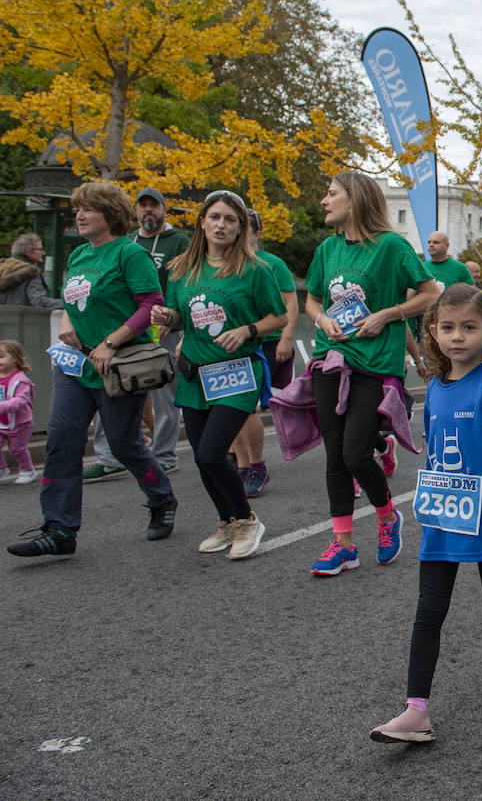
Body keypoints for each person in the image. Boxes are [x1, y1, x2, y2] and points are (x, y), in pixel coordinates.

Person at [369, 284, 482, 744]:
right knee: (429, 610)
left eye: (469, 327)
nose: (457, 336)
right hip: (443, 513)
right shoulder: (436, 389)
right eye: (447, 327)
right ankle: (415, 709)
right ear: (433, 333)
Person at [7, 181, 177, 558]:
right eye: (77, 210)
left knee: (123, 443)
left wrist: (111, 342)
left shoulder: (129, 255)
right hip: (75, 366)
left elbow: (150, 304)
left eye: (88, 209)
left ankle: (161, 499)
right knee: (62, 441)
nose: (79, 216)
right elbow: (72, 295)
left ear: (110, 215)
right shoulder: (80, 255)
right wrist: (67, 319)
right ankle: (59, 530)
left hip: (119, 366)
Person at [303, 172, 438, 576]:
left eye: (331, 194)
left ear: (356, 199)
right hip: (330, 359)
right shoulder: (327, 249)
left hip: (375, 365)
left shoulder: (392, 247)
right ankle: (343, 544)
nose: (324, 201)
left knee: (355, 452)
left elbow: (431, 294)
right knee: (334, 455)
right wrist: (322, 318)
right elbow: (310, 299)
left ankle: (385, 517)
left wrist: (388, 314)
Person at [151, 190, 286, 560]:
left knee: (212, 453)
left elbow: (279, 317)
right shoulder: (182, 268)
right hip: (195, 375)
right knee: (201, 457)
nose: (221, 225)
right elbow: (179, 315)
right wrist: (167, 318)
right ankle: (227, 521)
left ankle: (247, 520)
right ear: (202, 222)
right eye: (215, 217)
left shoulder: (255, 270)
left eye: (230, 219)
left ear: (241, 227)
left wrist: (247, 331)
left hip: (237, 374)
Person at [83, 187, 189, 481]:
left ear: (164, 209)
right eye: (142, 206)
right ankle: (108, 456)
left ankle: (165, 454)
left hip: (163, 326)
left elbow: (183, 281)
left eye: (153, 206)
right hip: (127, 331)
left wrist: (173, 316)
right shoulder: (125, 242)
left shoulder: (178, 241)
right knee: (112, 388)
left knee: (163, 394)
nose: (147, 211)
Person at [229, 209, 298, 497]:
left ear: (257, 233)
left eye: (245, 227)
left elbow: (290, 303)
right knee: (229, 408)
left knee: (248, 407)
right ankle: (239, 463)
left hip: (264, 343)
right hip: (227, 347)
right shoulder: (224, 264)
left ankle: (254, 466)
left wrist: (286, 338)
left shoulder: (271, 263)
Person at [0, 339, 37, 484]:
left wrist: (2, 406)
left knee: (17, 449)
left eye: (2, 356)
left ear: (15, 358)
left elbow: (21, 401)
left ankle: (28, 471)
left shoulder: (20, 380)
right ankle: (2, 469)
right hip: (2, 422)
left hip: (20, 423)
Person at [0, 233, 62, 309]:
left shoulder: (2, 267)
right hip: (22, 320)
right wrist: (68, 305)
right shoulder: (30, 273)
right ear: (28, 252)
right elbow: (40, 301)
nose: (43, 253)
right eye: (40, 249)